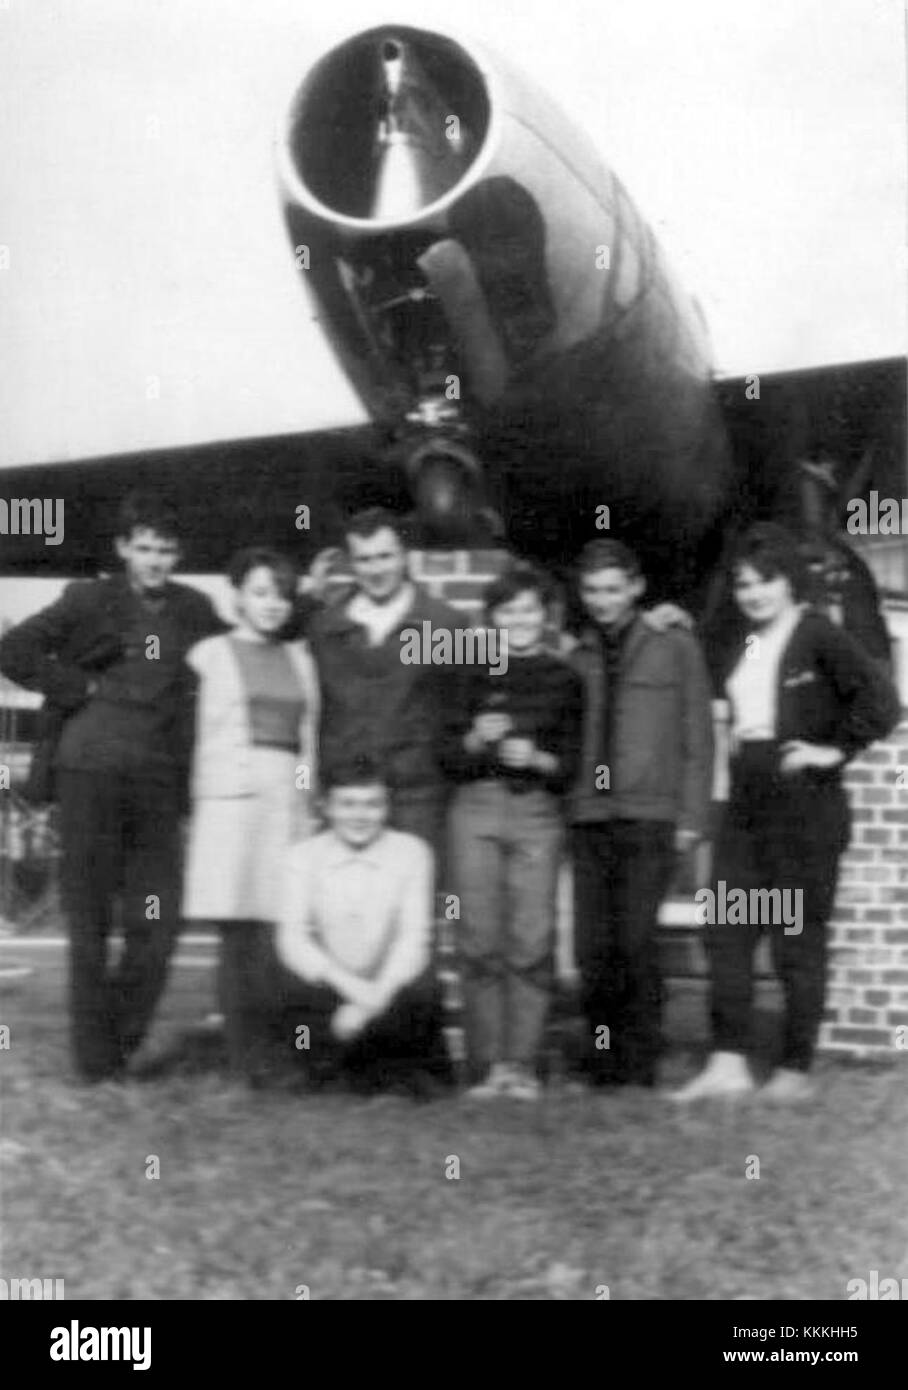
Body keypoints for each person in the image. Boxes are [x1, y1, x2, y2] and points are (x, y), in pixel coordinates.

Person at [673, 523, 900, 1103]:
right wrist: (674, 622)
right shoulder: (742, 639)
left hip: (806, 806)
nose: (754, 594)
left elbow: (882, 703)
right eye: (745, 584)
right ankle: (727, 1064)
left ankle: (793, 1072)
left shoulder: (818, 633)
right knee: (726, 928)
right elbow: (706, 660)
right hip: (747, 800)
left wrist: (832, 750)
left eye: (766, 582)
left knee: (796, 939)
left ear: (790, 583)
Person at [0, 492, 222, 1081]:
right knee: (91, 923)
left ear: (177, 554)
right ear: (124, 549)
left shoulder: (194, 609)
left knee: (161, 922)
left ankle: (114, 1044)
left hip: (157, 783)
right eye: (143, 547)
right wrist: (79, 688)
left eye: (165, 549)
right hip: (88, 776)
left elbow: (248, 631)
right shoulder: (88, 599)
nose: (154, 560)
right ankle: (98, 1068)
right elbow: (13, 650)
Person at [307, 506, 464, 1080]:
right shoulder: (327, 625)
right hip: (348, 795)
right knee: (345, 917)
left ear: (406, 557)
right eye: (364, 558)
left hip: (416, 791)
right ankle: (345, 1058)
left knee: (412, 924)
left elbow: (475, 697)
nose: (375, 569)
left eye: (385, 556)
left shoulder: (442, 623)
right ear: (351, 560)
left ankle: (417, 1063)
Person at [568, 539, 714, 1088]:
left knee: (633, 939)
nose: (602, 601)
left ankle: (639, 1061)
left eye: (612, 589)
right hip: (588, 813)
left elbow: (698, 735)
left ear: (636, 587)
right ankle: (602, 1061)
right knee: (591, 947)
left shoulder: (673, 643)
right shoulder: (576, 651)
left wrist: (692, 818)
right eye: (592, 591)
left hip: (650, 814)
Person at [442, 562, 582, 1100]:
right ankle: (484, 1068)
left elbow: (574, 766)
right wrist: (477, 738)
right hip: (474, 809)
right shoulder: (466, 669)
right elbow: (444, 753)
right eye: (508, 611)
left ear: (544, 615)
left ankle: (521, 1066)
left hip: (535, 812)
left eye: (530, 609)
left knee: (530, 939)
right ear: (491, 618)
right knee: (478, 939)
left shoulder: (564, 676)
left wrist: (539, 758)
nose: (520, 620)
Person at [182, 548, 319, 1084]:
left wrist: (307, 800)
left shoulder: (301, 658)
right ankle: (244, 1060)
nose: (271, 605)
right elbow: (188, 735)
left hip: (286, 798)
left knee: (280, 930)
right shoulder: (207, 655)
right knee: (239, 933)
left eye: (281, 595)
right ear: (236, 595)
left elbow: (308, 742)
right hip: (231, 803)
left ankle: (281, 1053)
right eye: (260, 593)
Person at [275, 756, 437, 1096]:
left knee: (423, 989)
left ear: (387, 807)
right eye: (347, 804)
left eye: (372, 805)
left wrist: (374, 998)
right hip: (333, 988)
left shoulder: (413, 852)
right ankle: (311, 1065)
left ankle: (395, 1073)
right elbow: (293, 939)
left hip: (386, 991)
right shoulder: (301, 856)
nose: (360, 816)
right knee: (287, 983)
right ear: (327, 807)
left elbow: (413, 939)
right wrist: (351, 989)